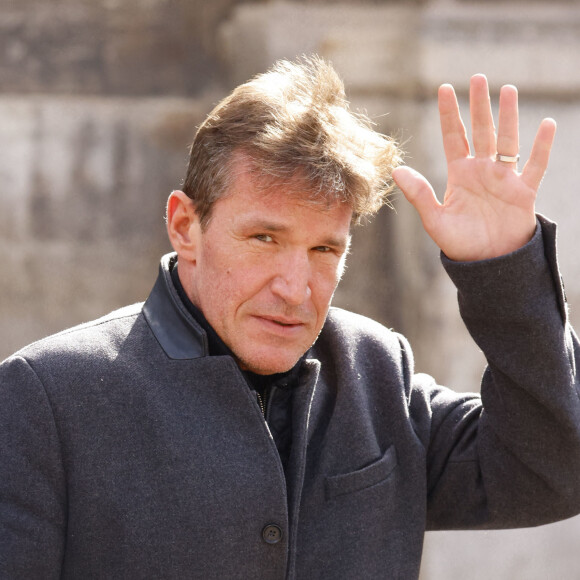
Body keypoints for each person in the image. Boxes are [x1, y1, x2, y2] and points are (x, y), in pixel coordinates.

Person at [1, 56, 579, 580]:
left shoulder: (377, 369)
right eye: (264, 237)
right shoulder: (43, 398)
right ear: (185, 226)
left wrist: (505, 274)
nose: (295, 288)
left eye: (325, 250)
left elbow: (553, 472)